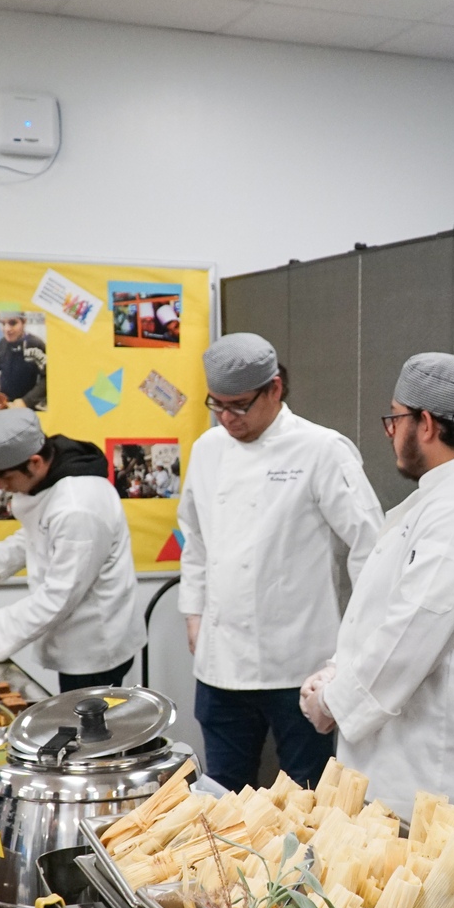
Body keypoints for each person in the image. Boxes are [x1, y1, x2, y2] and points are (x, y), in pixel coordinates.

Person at [300, 353, 454, 815]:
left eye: (394, 420)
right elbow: (391, 609)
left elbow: (409, 637)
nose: (391, 433)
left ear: (427, 424)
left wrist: (331, 702)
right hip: (415, 759)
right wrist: (338, 669)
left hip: (434, 773)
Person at [177, 334, 382, 792]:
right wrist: (193, 613)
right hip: (221, 663)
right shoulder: (208, 449)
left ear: (274, 389)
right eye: (218, 406)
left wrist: (358, 641)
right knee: (222, 791)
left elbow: (373, 547)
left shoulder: (322, 449)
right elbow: (195, 537)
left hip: (300, 662)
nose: (228, 419)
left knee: (306, 792)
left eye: (240, 406)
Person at [0, 409, 145, 691]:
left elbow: (59, 596)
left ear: (34, 462)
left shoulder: (78, 506)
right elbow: (36, 536)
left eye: (3, 477)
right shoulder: (52, 476)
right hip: (75, 633)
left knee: (89, 729)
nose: (0, 487)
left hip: (94, 644)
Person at [0, 313, 46, 410]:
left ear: (24, 322)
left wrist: (26, 401)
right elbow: (0, 364)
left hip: (25, 404)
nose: (7, 329)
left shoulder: (35, 344)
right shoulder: (2, 342)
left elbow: (48, 378)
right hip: (4, 400)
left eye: (12, 323)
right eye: (3, 324)